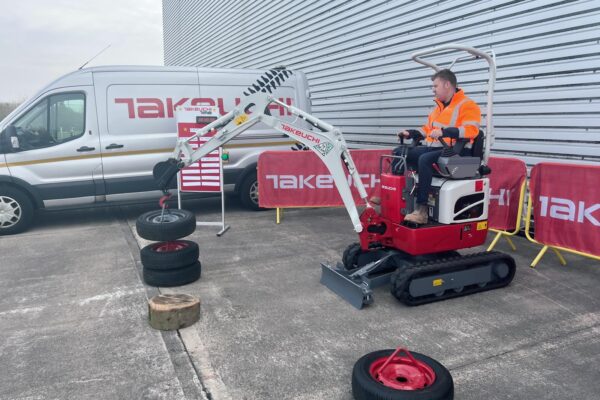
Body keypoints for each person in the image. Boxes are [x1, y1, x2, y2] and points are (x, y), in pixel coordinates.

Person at [398, 69, 482, 224]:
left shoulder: (468, 105)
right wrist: (411, 133)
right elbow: (428, 130)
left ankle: (421, 210)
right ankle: (394, 197)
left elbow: (472, 130)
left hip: (458, 152)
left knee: (424, 159)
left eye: (435, 86)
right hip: (438, 148)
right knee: (401, 152)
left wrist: (445, 132)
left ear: (447, 84)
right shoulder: (438, 108)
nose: (433, 89)